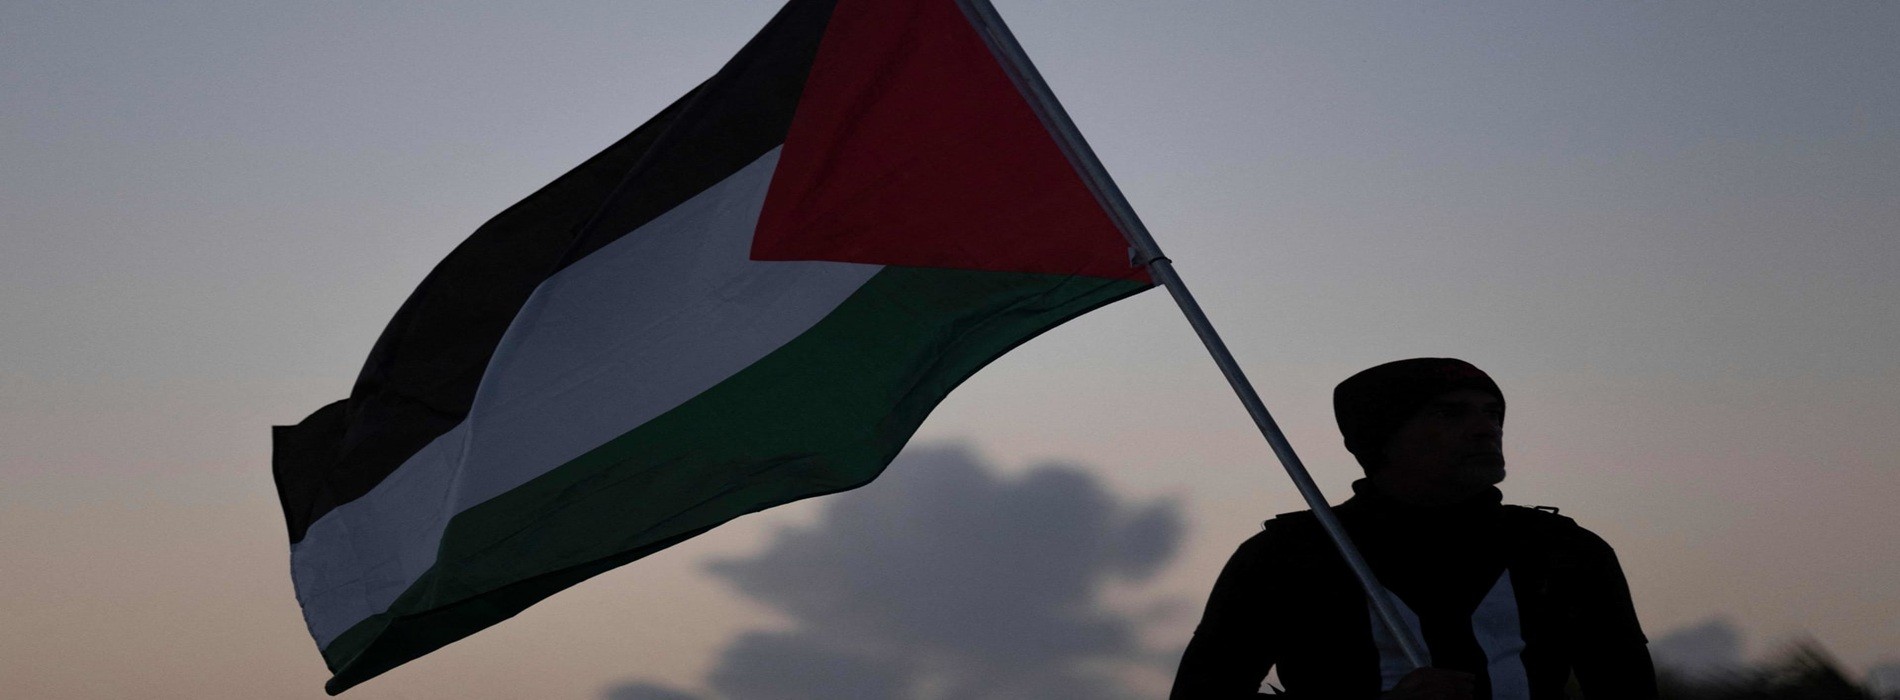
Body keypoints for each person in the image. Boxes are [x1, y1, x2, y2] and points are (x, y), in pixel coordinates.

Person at [1169, 358, 1656, 699]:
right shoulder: (1289, 556)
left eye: (1492, 412)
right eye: (1450, 412)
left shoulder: (1563, 551)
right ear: (1382, 436)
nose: (1486, 428)